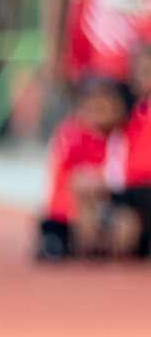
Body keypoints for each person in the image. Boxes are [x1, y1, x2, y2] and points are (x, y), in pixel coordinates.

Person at [36, 76, 127, 260]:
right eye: (93, 108)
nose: (99, 114)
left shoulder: (123, 134)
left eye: (104, 108)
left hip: (112, 205)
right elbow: (66, 181)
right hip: (71, 210)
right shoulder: (71, 134)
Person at [103, 46, 151, 257]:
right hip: (134, 188)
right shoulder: (134, 115)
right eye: (137, 72)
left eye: (146, 72)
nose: (140, 78)